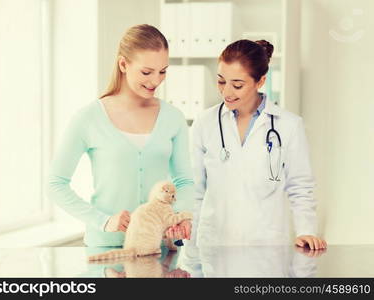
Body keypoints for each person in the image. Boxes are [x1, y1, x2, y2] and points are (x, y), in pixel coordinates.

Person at [45, 24, 193, 247]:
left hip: (156, 247)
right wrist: (103, 221)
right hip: (106, 248)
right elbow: (55, 183)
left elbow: (184, 181)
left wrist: (182, 216)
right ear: (123, 64)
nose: (156, 81)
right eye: (146, 72)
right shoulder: (88, 118)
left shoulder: (173, 118)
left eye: (163, 71)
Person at [189, 39, 327, 250]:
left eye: (237, 85)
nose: (227, 92)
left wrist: (306, 231)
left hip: (267, 246)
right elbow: (194, 190)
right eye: (221, 81)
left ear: (260, 81)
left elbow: (300, 187)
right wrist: (189, 247)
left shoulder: (289, 125)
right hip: (215, 247)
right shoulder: (205, 122)